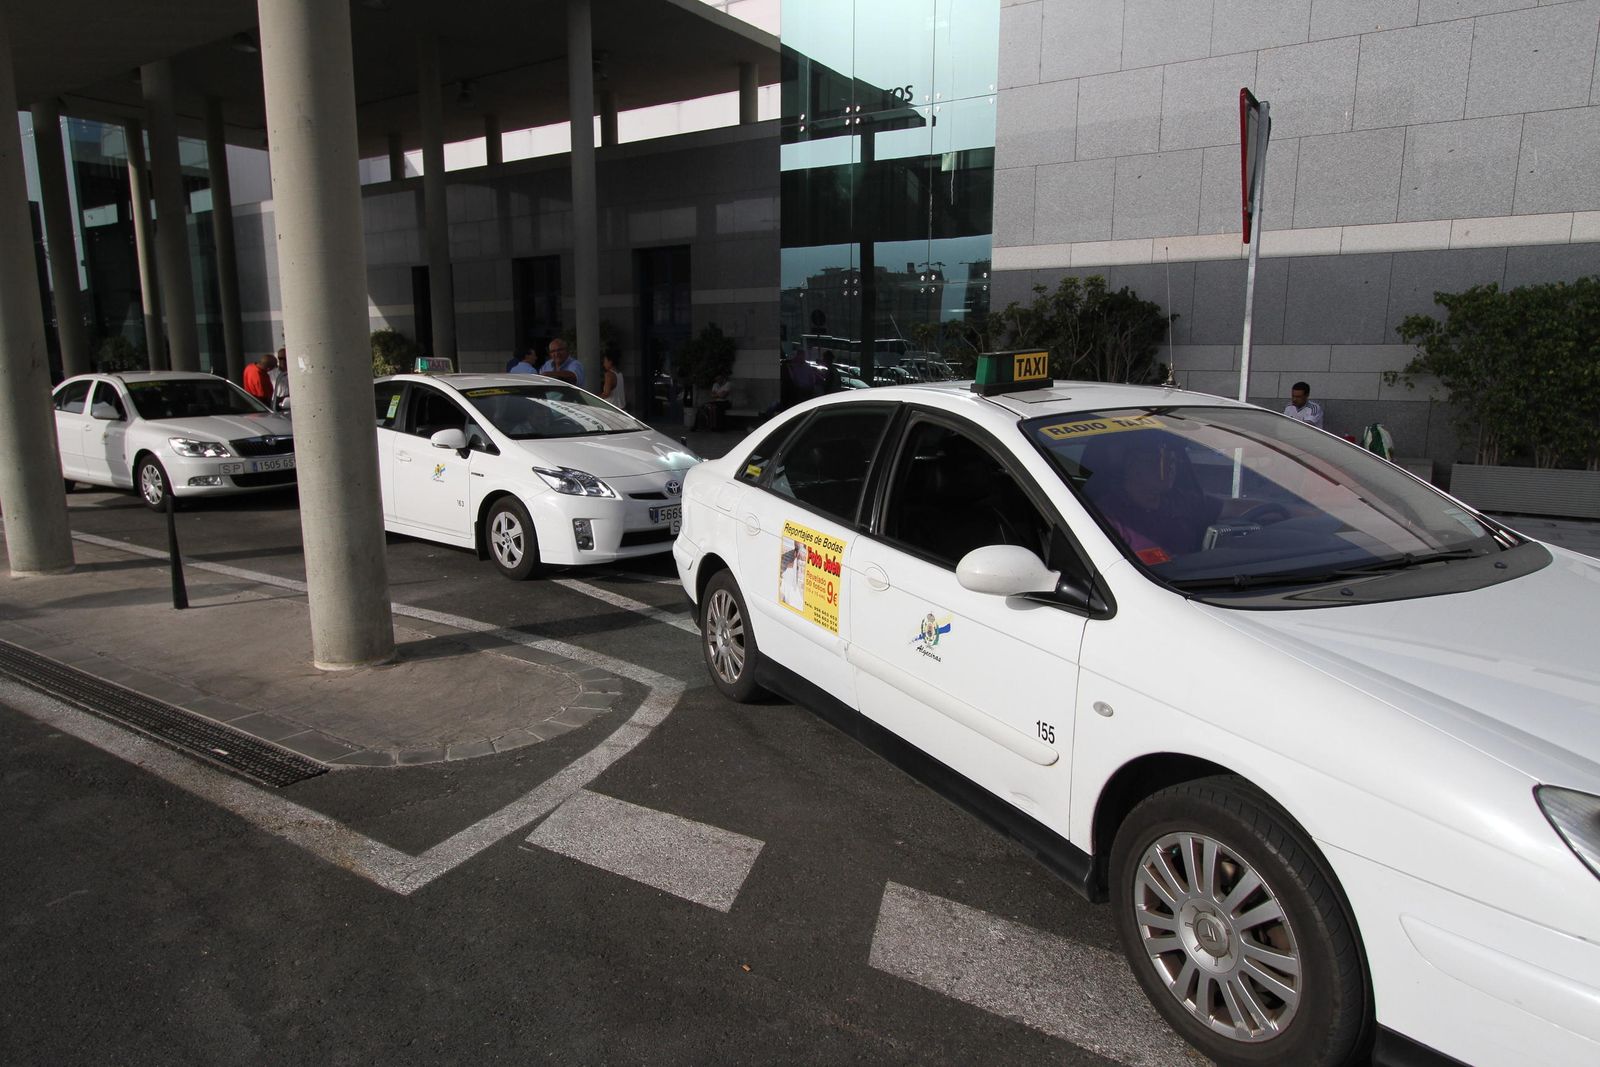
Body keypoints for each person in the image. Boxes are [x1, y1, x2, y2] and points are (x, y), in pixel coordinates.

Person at [1086, 436, 1213, 565]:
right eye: (1160, 461)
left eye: (1173, 461)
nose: (1169, 467)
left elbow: (1231, 509)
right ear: (1132, 465)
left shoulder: (1180, 500)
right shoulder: (1106, 517)